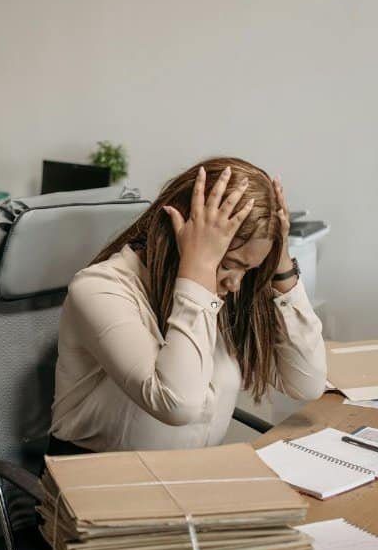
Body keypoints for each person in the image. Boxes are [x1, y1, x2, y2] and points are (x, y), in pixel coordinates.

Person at [48, 157, 327, 454]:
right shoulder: (99, 289)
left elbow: (306, 383)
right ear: (179, 235)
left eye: (249, 270)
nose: (236, 284)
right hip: (97, 482)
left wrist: (280, 262)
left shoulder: (226, 291)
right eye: (230, 265)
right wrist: (198, 268)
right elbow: (177, 404)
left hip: (186, 479)